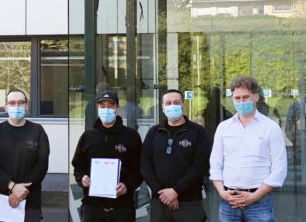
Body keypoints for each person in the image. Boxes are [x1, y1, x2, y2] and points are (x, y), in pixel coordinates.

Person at [210, 75, 287, 222]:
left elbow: (279, 169)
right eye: (237, 98)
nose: (241, 101)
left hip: (259, 203)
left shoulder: (271, 128)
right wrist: (222, 192)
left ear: (256, 97)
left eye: (246, 97)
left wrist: (254, 196)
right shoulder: (224, 127)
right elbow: (215, 163)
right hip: (228, 201)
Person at [72, 90, 143, 222]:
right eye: (102, 106)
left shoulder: (131, 136)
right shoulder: (87, 137)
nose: (106, 110)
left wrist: (128, 185)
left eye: (110, 106)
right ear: (97, 108)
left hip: (122, 207)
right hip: (92, 207)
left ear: (117, 108)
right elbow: (78, 166)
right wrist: (82, 178)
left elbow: (140, 168)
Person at [141, 89, 210, 222]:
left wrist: (176, 191)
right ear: (162, 107)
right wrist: (162, 194)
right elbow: (145, 165)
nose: (172, 106)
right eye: (168, 103)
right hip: (160, 202)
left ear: (183, 105)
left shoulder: (198, 132)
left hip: (189, 202)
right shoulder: (154, 132)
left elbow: (200, 166)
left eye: (176, 102)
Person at [0, 89, 50, 222]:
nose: (16, 106)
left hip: (29, 201)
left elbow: (42, 165)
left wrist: (22, 190)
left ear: (27, 106)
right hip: (1, 200)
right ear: (6, 107)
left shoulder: (37, 131)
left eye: (20, 103)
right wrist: (12, 186)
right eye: (12, 103)